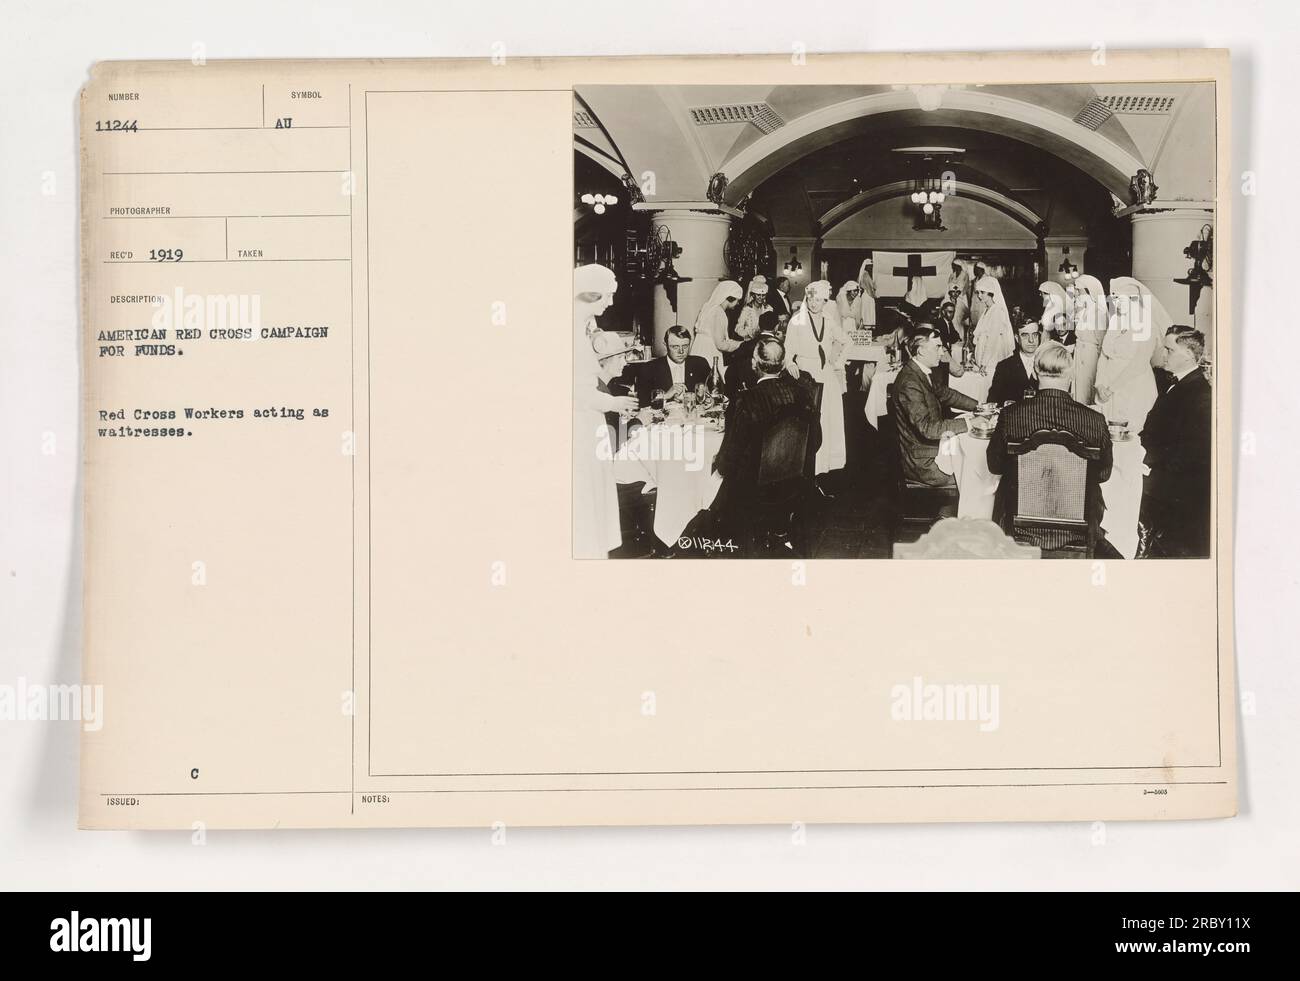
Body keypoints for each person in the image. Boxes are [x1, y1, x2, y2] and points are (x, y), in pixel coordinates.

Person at [986, 341, 1113, 550]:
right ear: (1071, 376)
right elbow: (1103, 474)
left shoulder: (1011, 416)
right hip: (1078, 527)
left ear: (1035, 374)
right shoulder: (1095, 420)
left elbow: (995, 465)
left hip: (1018, 525)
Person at [573, 264, 637, 559]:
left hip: (590, 420)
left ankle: (595, 550)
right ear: (589, 294)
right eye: (607, 296)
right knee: (586, 492)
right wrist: (614, 403)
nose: (611, 303)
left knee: (595, 492)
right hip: (580, 423)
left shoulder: (581, 325)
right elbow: (576, 390)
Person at [1139, 326, 1211, 557]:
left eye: (1169, 350)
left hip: (1175, 491)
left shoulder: (1199, 393)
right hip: (1164, 474)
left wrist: (1148, 464)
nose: (1163, 355)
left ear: (1189, 355)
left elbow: (1190, 453)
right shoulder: (1179, 384)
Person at [889, 326, 979, 487]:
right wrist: (971, 423)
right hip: (924, 463)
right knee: (977, 472)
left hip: (932, 450)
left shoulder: (921, 372)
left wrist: (979, 407)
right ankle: (967, 512)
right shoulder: (909, 382)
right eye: (937, 347)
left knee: (975, 456)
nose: (942, 353)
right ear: (921, 351)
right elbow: (928, 428)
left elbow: (946, 394)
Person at [785, 279, 850, 475]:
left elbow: (846, 341)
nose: (814, 304)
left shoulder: (829, 320)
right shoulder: (796, 320)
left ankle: (824, 465)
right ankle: (806, 465)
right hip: (806, 372)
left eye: (819, 300)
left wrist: (837, 362)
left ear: (825, 301)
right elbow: (788, 349)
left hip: (826, 374)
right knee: (809, 419)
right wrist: (790, 363)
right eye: (811, 299)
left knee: (827, 418)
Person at [1096, 276, 1162, 433]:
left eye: (1121, 299)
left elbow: (1138, 364)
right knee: (1108, 430)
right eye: (1115, 299)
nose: (1117, 304)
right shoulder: (1115, 321)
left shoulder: (1147, 325)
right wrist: (1099, 384)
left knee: (1130, 431)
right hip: (1107, 384)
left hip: (1133, 385)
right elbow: (1104, 355)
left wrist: (1111, 388)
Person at [635, 325, 710, 406]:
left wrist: (703, 396)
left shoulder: (700, 364)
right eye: (675, 347)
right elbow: (642, 403)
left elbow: (717, 394)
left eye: (685, 346)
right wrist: (665, 396)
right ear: (665, 345)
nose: (681, 351)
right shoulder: (649, 369)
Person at [690, 280, 743, 376]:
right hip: (709, 351)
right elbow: (720, 344)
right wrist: (740, 344)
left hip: (698, 347)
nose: (738, 303)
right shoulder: (719, 313)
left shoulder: (708, 307)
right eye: (737, 300)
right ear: (730, 298)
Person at [1070, 274, 1107, 404]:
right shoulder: (1086, 311)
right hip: (1080, 356)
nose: (1075, 294)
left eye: (1078, 291)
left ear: (1089, 293)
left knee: (1087, 392)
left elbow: (1102, 344)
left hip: (1091, 360)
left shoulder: (1099, 314)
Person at [987, 321, 1043, 405]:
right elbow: (992, 401)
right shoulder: (1004, 367)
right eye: (1025, 335)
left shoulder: (1048, 364)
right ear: (1017, 338)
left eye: (1035, 335)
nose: (1031, 340)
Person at [971, 275, 1015, 371]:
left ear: (991, 293)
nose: (979, 296)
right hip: (984, 353)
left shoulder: (997, 311)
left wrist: (984, 362)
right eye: (978, 292)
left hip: (992, 356)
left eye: (983, 292)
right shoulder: (987, 310)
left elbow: (992, 339)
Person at [735, 276, 772, 347]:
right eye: (758, 295)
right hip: (749, 343)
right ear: (753, 295)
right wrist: (747, 335)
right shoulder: (747, 310)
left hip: (764, 343)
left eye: (763, 295)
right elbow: (738, 328)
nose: (761, 298)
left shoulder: (768, 308)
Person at [856, 256, 878, 328]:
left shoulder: (862, 274)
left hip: (865, 296)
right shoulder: (866, 275)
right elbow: (870, 287)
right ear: (866, 266)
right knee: (868, 312)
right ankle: (867, 327)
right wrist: (874, 294)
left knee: (865, 312)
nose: (871, 268)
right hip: (868, 295)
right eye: (870, 266)